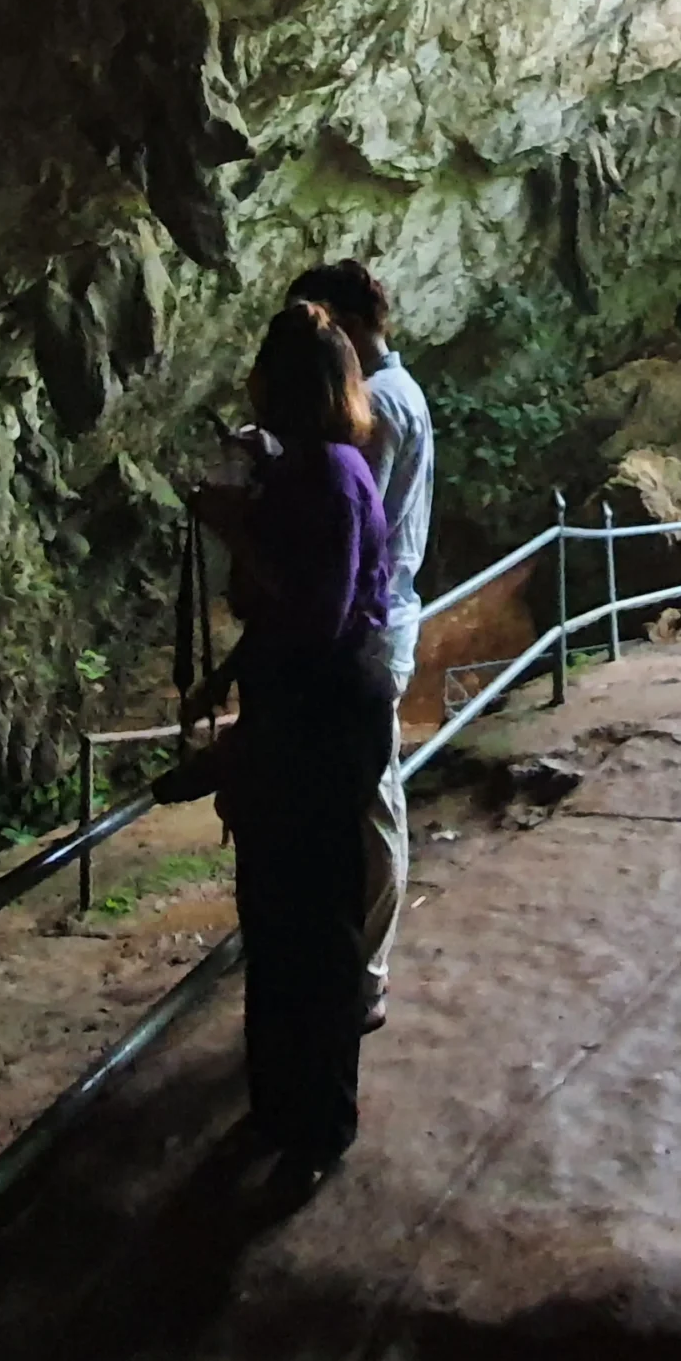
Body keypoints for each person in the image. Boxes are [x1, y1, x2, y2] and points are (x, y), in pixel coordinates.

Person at [183, 303, 392, 1196]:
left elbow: (318, 616)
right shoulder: (301, 470)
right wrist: (225, 674)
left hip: (328, 713)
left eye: (264, 369)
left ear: (292, 386)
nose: (251, 383)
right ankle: (276, 1105)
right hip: (289, 707)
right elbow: (281, 612)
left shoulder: (337, 476)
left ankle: (319, 1129)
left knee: (317, 926)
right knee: (272, 916)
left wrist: (235, 533)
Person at [288, 261, 431, 1036]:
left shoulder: (374, 407)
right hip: (382, 621)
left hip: (369, 631)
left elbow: (346, 528)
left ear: (343, 322)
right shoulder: (398, 394)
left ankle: (366, 974)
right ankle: (355, 960)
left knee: (375, 806)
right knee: (367, 800)